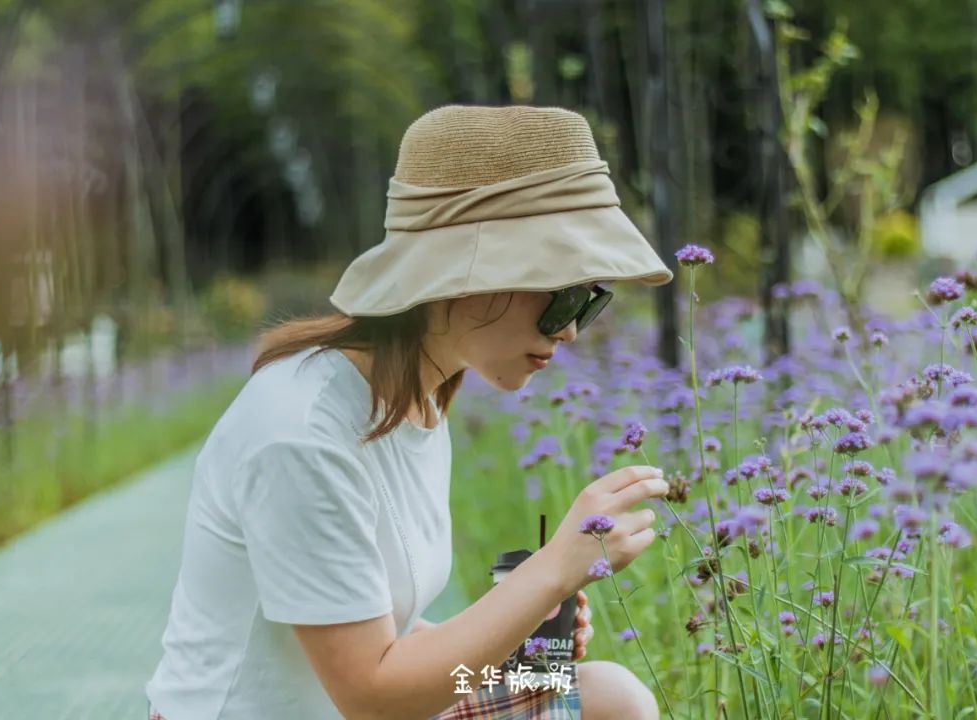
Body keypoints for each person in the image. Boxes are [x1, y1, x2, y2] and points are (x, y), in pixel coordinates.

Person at [145, 104, 674, 720]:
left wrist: (520, 623)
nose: (571, 332)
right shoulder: (301, 433)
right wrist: (550, 574)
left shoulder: (414, 400)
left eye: (591, 301)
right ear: (466, 276)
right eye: (562, 296)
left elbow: (377, 637)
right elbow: (372, 696)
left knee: (609, 699)